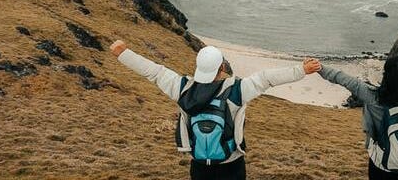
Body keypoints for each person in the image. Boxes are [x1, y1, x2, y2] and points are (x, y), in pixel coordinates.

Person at [109, 39, 321, 180]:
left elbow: (153, 72)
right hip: (232, 163)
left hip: (200, 164)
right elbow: (266, 79)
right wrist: (301, 69)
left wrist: (122, 53)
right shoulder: (237, 90)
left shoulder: (182, 88)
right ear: (222, 67)